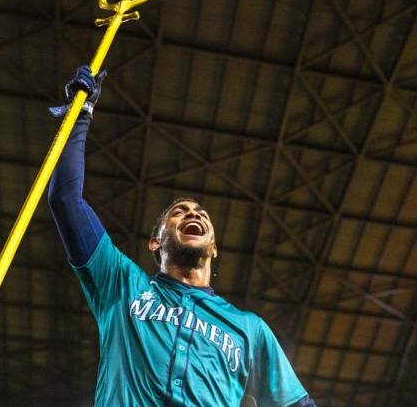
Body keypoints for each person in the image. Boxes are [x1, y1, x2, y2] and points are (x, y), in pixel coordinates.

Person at [48, 66, 316, 406]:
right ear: (155, 242)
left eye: (201, 213)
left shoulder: (250, 330)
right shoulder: (121, 284)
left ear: (214, 248)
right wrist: (78, 117)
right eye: (179, 212)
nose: (193, 213)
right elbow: (65, 200)